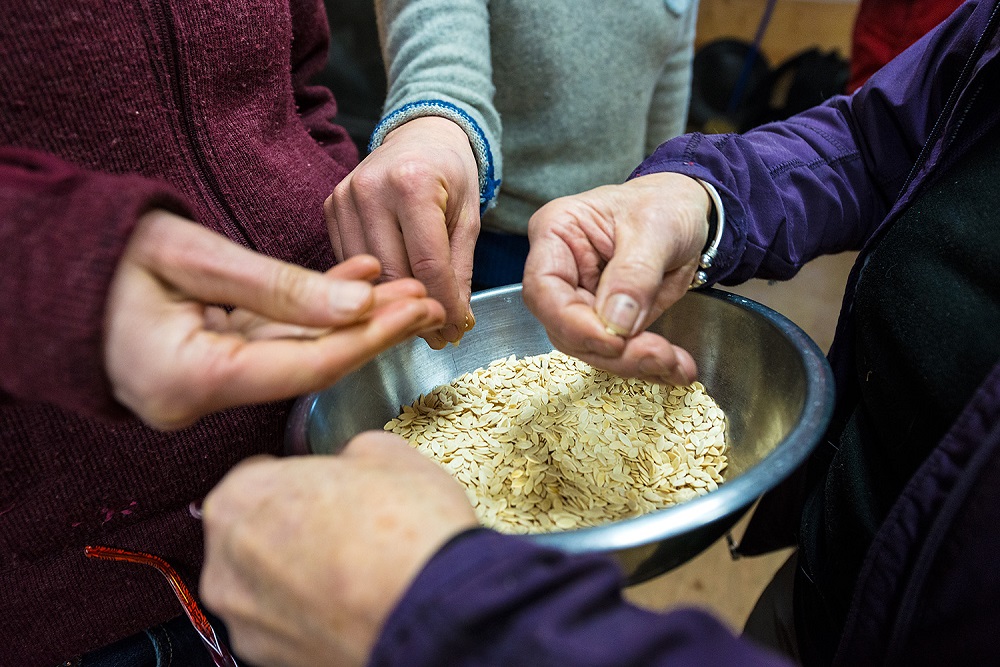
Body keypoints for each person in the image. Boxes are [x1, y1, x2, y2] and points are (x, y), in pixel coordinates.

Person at [200, 0, 1000, 665]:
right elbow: (876, 137)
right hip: (848, 561)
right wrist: (691, 189)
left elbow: (671, 69)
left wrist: (450, 614)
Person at [0, 2, 448, 665]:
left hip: (348, 507)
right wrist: (61, 280)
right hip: (103, 591)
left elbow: (298, 91)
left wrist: (330, 198)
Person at [324, 0, 700, 341]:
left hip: (612, 252)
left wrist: (659, 206)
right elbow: (439, 53)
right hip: (472, 254)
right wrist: (433, 127)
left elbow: (668, 92)